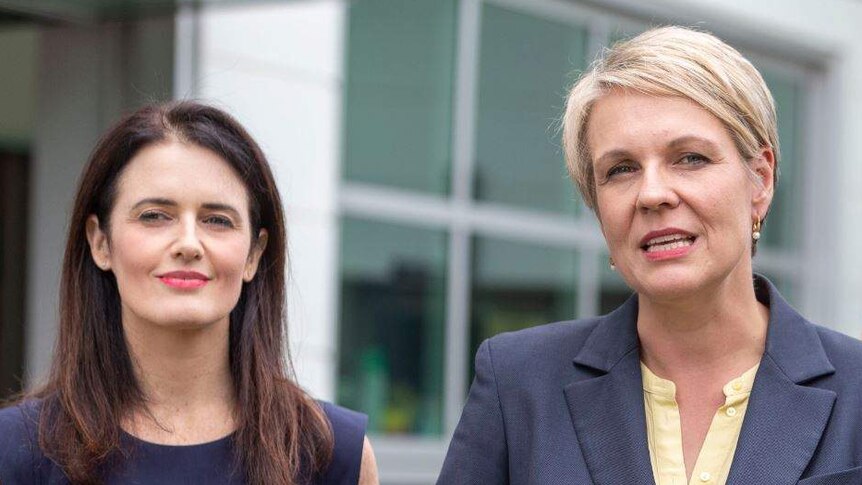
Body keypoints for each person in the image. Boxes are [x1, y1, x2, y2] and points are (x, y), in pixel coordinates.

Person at [438, 26, 862, 485]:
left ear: (760, 180)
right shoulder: (518, 385)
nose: (652, 194)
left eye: (690, 158)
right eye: (621, 169)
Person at [0, 101, 378, 485]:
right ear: (100, 243)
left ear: (254, 254)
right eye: (154, 216)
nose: (188, 243)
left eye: (217, 220)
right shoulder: (15, 450)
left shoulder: (331, 454)